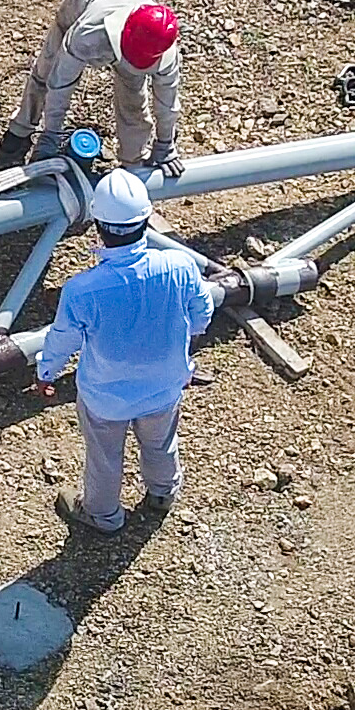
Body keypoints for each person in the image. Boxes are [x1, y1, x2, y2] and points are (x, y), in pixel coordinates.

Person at [31, 172, 215, 535]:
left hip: (105, 397)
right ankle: (163, 492)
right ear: (146, 219)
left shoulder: (83, 290)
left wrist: (45, 374)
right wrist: (179, 341)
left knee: (104, 456)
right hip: (165, 387)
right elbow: (202, 314)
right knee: (160, 443)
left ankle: (103, 514)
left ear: (98, 226)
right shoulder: (179, 266)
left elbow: (62, 340)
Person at [4, 0, 183, 174]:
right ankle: (22, 127)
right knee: (48, 68)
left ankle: (133, 161)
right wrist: (51, 133)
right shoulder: (88, 33)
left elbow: (167, 103)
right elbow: (60, 84)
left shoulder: (163, 50)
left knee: (133, 97)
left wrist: (165, 143)